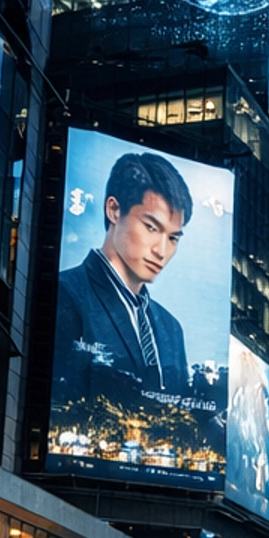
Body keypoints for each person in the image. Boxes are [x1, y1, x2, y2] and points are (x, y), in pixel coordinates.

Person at [54, 150, 195, 401]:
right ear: (114, 210)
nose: (161, 251)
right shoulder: (66, 293)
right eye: (151, 227)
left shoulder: (172, 329)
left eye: (173, 238)